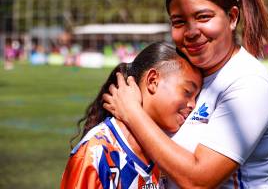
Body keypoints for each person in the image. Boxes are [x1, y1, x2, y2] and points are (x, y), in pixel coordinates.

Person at [103, 0, 268, 189]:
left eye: (203, 17)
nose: (191, 31)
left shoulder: (249, 81)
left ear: (232, 17)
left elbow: (198, 180)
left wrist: (132, 112)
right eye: (178, 22)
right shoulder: (185, 75)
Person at [61, 42, 202, 189]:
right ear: (153, 81)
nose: (193, 105)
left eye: (195, 98)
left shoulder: (169, 151)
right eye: (187, 92)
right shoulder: (95, 153)